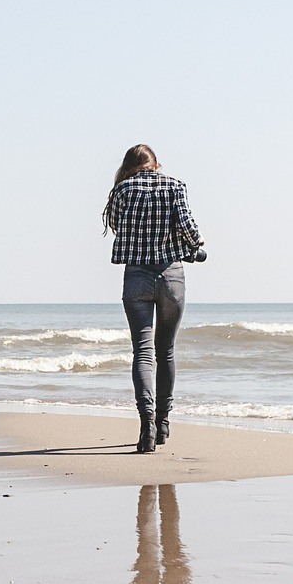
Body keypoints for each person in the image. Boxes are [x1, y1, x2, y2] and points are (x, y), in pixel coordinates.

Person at [102, 144, 203, 453]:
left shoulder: (122, 190)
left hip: (137, 278)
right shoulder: (174, 185)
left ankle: (146, 425)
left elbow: (119, 226)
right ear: (156, 163)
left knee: (143, 354)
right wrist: (197, 243)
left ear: (129, 166)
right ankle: (162, 422)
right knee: (166, 353)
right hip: (171, 277)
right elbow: (186, 226)